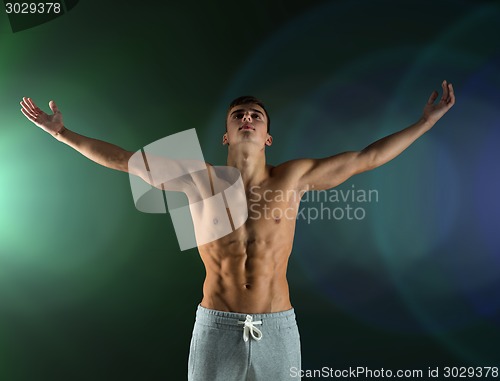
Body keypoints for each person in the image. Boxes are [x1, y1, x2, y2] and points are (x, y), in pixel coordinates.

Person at [20, 80, 455, 380]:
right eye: (238, 116)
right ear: (226, 135)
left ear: (267, 137)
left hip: (279, 327)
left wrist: (426, 123)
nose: (247, 118)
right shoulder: (197, 178)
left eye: (256, 116)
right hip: (216, 326)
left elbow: (367, 158)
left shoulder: (294, 177)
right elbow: (126, 160)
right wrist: (64, 135)